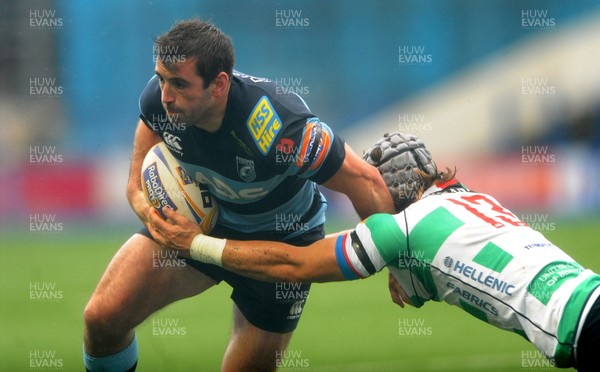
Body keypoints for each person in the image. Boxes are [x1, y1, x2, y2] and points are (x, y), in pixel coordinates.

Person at [82, 19, 393, 372]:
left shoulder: (280, 129)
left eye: (180, 84)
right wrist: (150, 213)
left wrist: (394, 261)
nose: (166, 95)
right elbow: (137, 179)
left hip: (282, 242)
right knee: (101, 318)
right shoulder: (160, 99)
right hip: (202, 224)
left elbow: (366, 182)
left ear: (219, 85)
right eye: (162, 78)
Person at [151, 132, 600, 370]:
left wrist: (196, 244)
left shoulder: (398, 231)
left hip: (583, 323)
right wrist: (394, 261)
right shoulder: (471, 199)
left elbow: (295, 263)